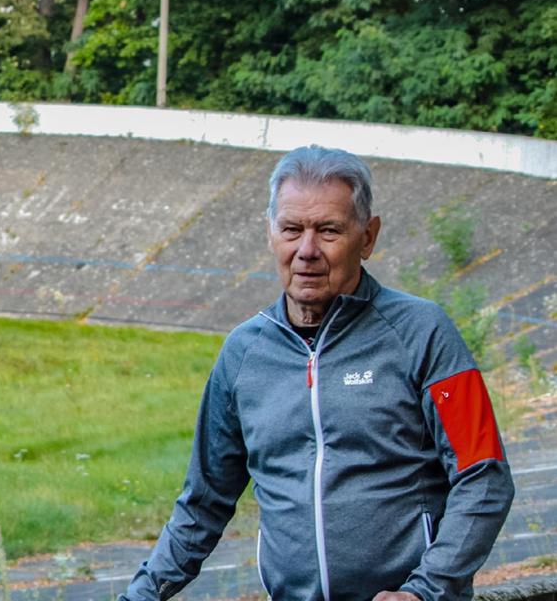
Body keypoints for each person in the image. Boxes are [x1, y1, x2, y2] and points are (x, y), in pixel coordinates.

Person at [120, 145, 514, 601]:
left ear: (368, 237)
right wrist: (141, 595)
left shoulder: (423, 332)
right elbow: (203, 503)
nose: (306, 250)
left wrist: (426, 591)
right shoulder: (243, 354)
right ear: (271, 233)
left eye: (328, 230)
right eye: (291, 229)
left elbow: (484, 475)